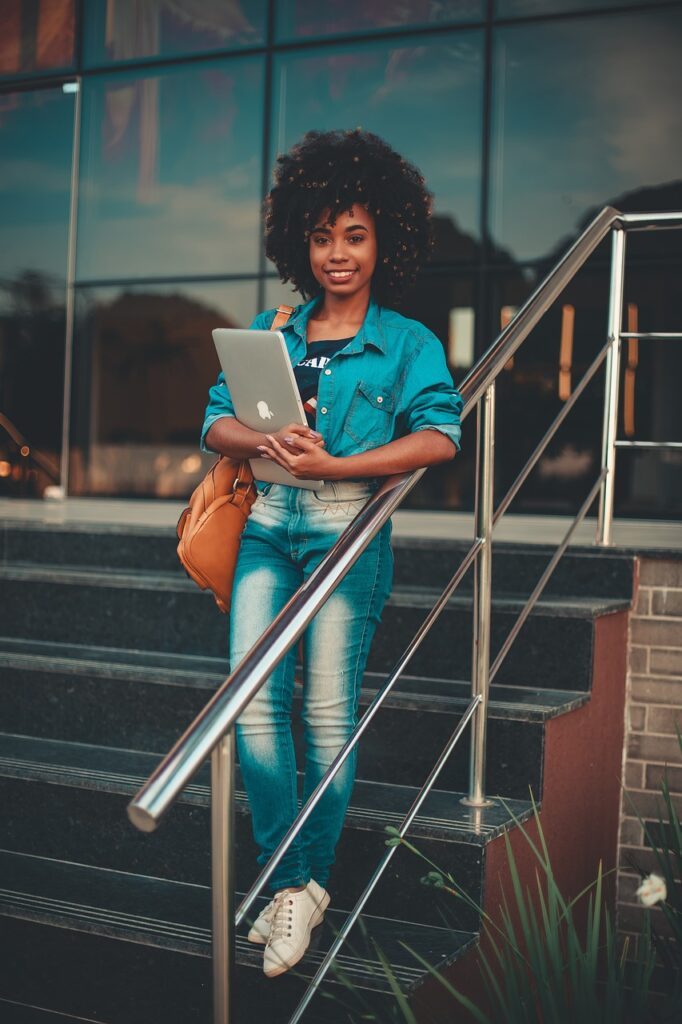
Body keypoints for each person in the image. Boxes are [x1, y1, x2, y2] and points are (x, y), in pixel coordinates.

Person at [201, 129, 463, 978]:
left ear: (384, 236)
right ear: (298, 244)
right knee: (250, 701)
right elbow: (213, 423)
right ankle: (294, 882)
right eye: (320, 236)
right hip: (269, 525)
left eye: (353, 234)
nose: (336, 253)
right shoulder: (271, 330)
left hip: (349, 530)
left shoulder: (410, 341)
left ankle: (301, 884)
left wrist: (339, 463)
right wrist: (267, 441)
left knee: (321, 714)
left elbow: (439, 437)